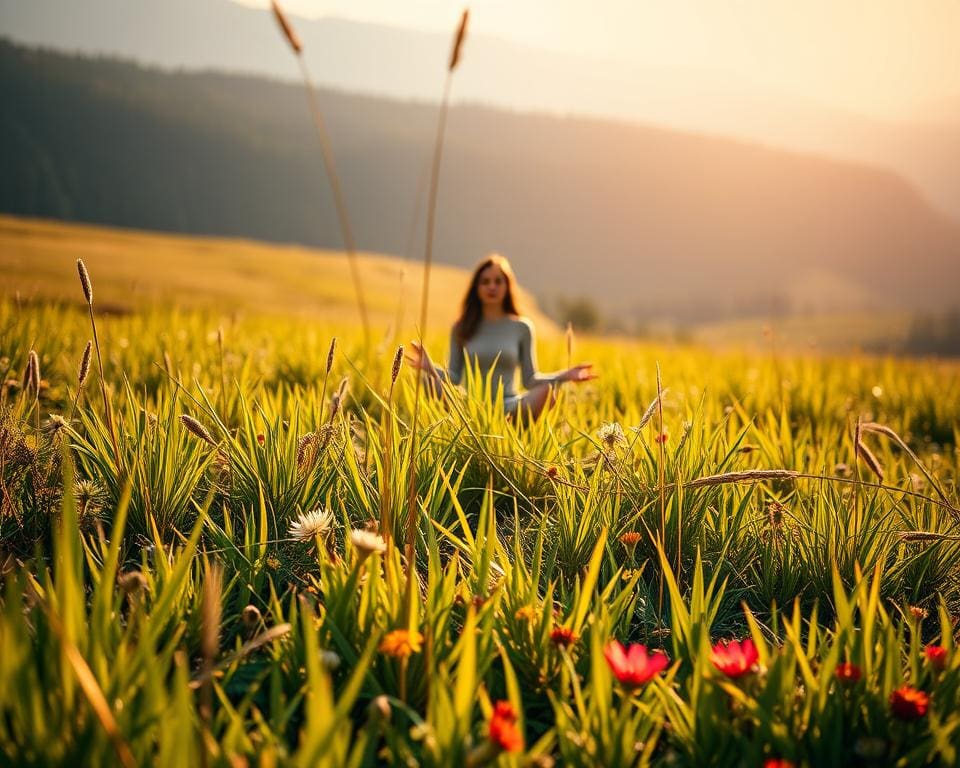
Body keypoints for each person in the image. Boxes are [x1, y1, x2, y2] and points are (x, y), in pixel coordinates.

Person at [408, 253, 596, 419]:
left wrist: (566, 375)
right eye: (485, 281)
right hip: (468, 404)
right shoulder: (461, 327)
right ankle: (474, 424)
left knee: (546, 393)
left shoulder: (522, 327)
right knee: (430, 382)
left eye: (498, 281)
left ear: (507, 286)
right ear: (476, 288)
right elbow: (454, 377)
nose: (492, 286)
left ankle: (509, 426)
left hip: (510, 405)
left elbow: (530, 379)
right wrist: (430, 367)